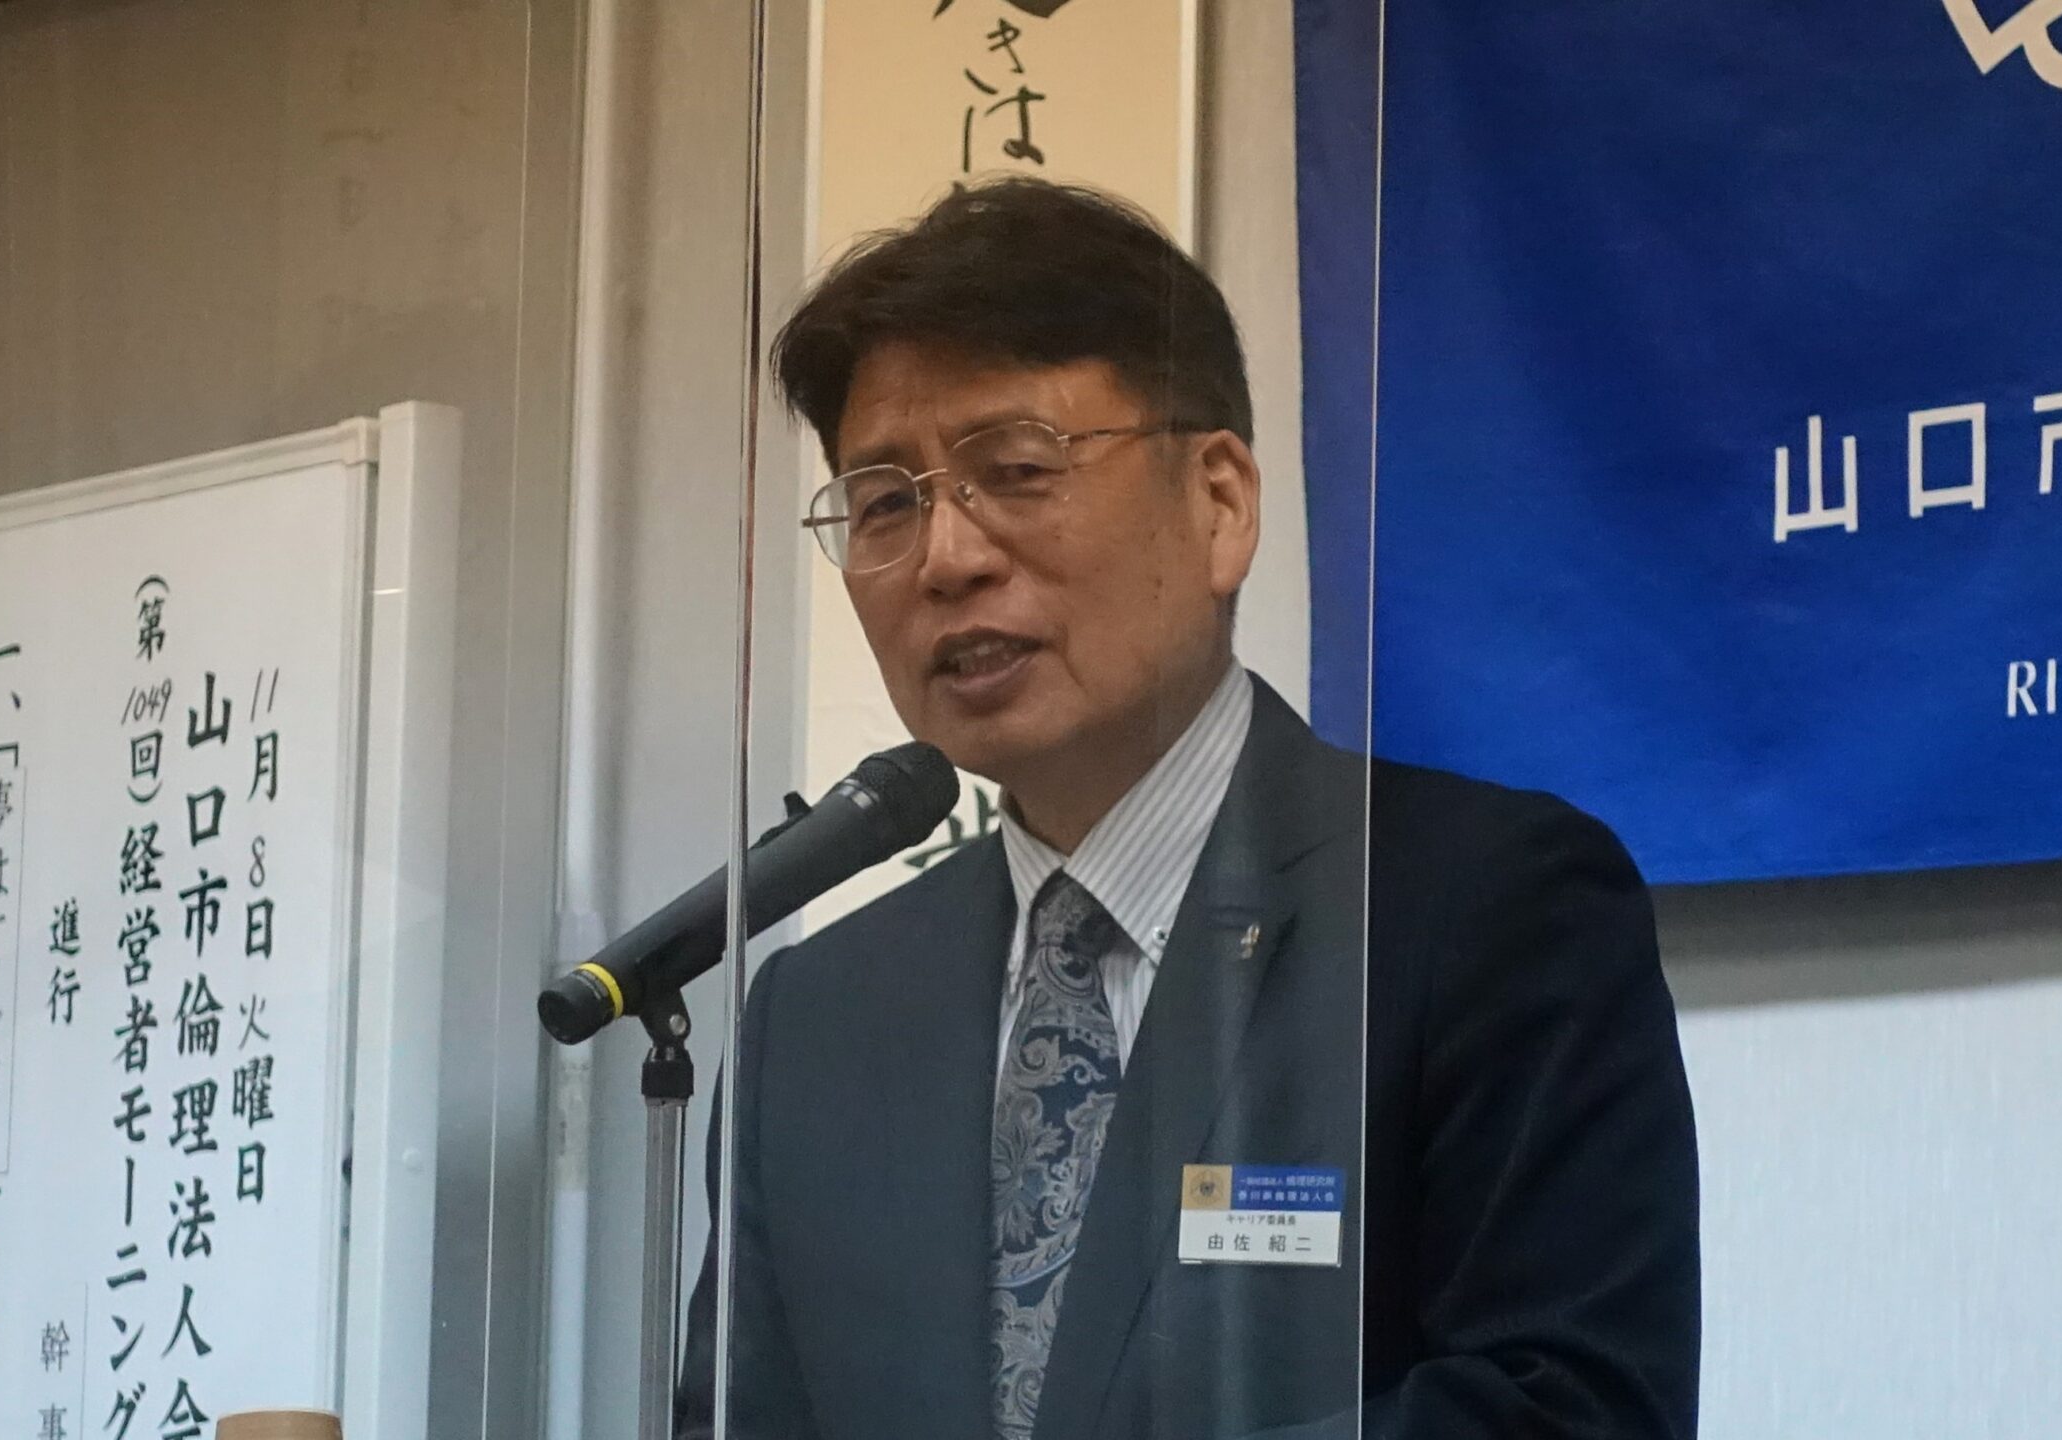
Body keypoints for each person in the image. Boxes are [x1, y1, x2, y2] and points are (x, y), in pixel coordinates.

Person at [675, 177, 1698, 1440]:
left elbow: (1573, 1408)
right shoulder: (815, 1017)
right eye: (885, 502)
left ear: (1219, 504)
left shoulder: (1481, 909)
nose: (945, 558)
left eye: (1015, 469)